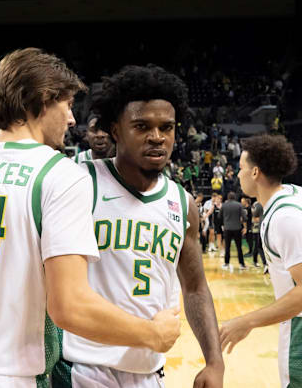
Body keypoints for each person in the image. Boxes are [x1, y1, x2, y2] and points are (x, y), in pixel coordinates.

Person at [0, 49, 181, 387]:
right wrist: (153, 334)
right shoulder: (59, 176)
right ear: (45, 101)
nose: (72, 120)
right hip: (4, 374)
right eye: (67, 106)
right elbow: (70, 308)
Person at [62, 64, 223, 387]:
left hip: (150, 370)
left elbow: (194, 287)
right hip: (83, 367)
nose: (157, 137)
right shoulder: (80, 183)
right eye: (141, 126)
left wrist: (214, 361)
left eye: (167, 127)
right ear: (115, 130)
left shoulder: (182, 203)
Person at [221, 134, 302, 388]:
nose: (237, 174)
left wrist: (247, 321)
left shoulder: (285, 216)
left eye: (241, 168)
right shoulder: (295, 192)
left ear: (255, 172)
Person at [221, 192, 247, 270]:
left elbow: (219, 216)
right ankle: (242, 264)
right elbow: (244, 217)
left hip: (227, 228)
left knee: (227, 247)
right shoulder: (239, 205)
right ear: (235, 197)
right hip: (237, 228)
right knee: (239, 247)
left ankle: (226, 263)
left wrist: (224, 222)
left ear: (228, 197)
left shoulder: (224, 205)